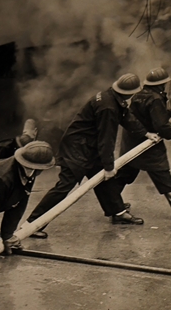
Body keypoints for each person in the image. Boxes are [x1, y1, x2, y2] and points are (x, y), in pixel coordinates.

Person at [25, 73, 158, 238]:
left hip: (88, 146)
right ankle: (33, 224)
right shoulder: (107, 107)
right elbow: (106, 139)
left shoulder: (112, 96)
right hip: (78, 149)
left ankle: (117, 212)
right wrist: (109, 166)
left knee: (103, 180)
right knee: (64, 186)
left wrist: (145, 133)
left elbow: (126, 117)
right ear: (129, 92)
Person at [115, 68, 171, 221]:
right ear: (161, 85)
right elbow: (161, 124)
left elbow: (152, 113)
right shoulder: (155, 99)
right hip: (149, 144)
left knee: (124, 175)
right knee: (163, 175)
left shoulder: (139, 95)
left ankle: (115, 208)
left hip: (132, 143)